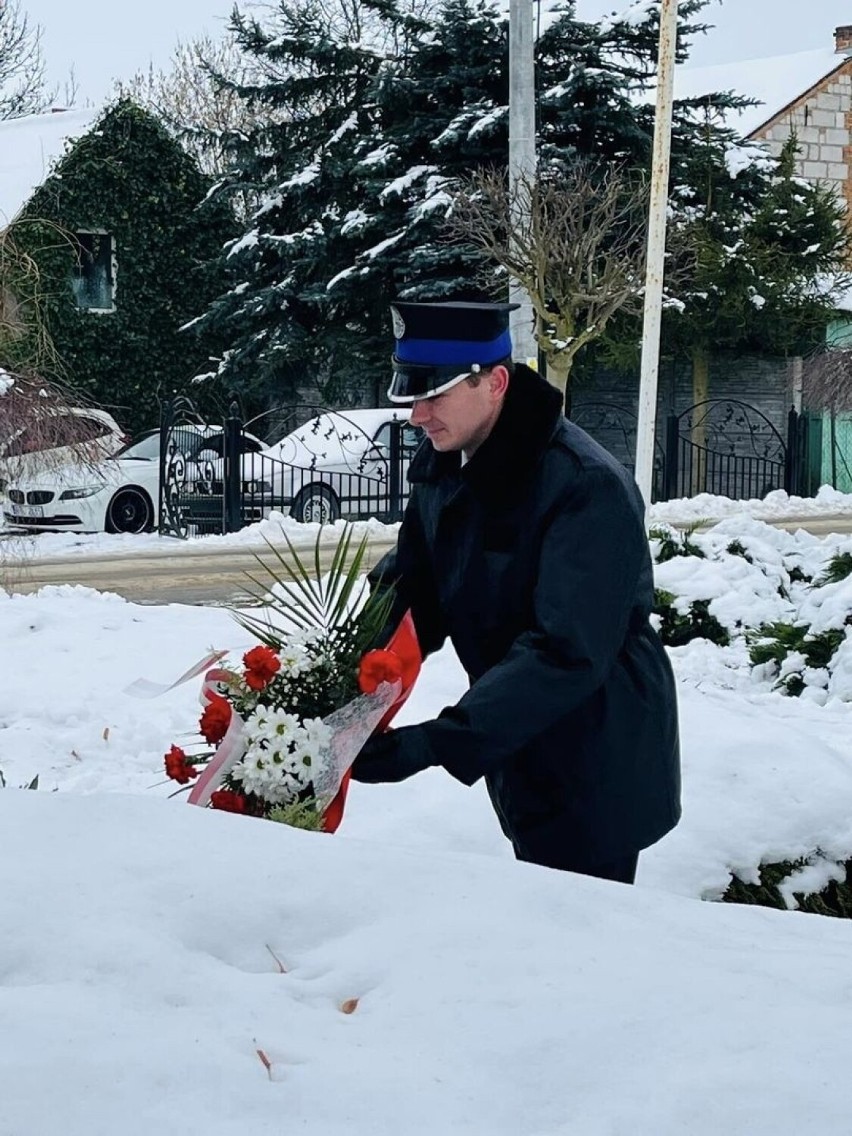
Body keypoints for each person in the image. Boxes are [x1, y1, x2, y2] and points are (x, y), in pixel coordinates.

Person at [351, 300, 681, 884]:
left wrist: (433, 744)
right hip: (517, 735)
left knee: (580, 936)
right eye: (411, 395)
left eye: (435, 394)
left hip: (596, 755)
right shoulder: (449, 459)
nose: (416, 415)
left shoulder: (584, 486)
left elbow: (566, 650)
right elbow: (412, 587)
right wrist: (333, 678)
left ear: (495, 382)